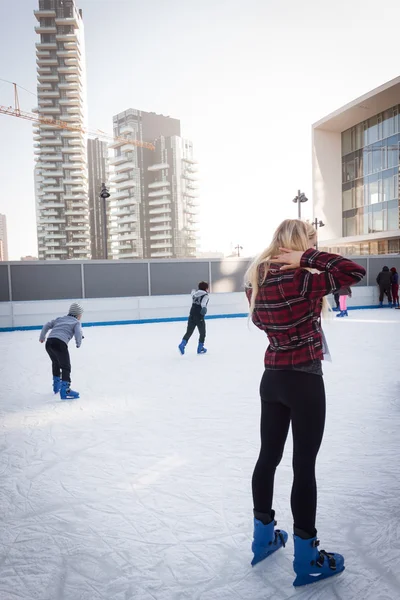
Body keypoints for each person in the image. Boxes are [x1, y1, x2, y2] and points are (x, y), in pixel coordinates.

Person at [245, 219, 365, 587]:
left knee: (268, 457)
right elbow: (354, 272)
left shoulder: (256, 281)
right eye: (310, 241)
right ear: (299, 245)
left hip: (272, 379)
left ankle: (263, 539)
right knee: (303, 466)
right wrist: (308, 257)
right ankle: (307, 556)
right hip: (304, 380)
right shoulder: (304, 279)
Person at [39, 302, 84, 400]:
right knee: (66, 366)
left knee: (55, 363)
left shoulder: (60, 319)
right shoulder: (76, 322)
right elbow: (78, 332)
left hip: (49, 343)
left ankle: (56, 386)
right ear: (78, 315)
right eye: (81, 314)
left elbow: (47, 325)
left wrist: (42, 337)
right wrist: (78, 343)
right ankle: (65, 390)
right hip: (60, 344)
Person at [178, 282, 209, 355]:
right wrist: (204, 308)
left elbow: (192, 293)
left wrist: (193, 291)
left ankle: (182, 344)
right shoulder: (205, 296)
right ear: (206, 288)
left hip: (191, 315)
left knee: (189, 332)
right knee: (202, 333)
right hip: (199, 316)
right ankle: (200, 348)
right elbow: (203, 304)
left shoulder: (195, 294)